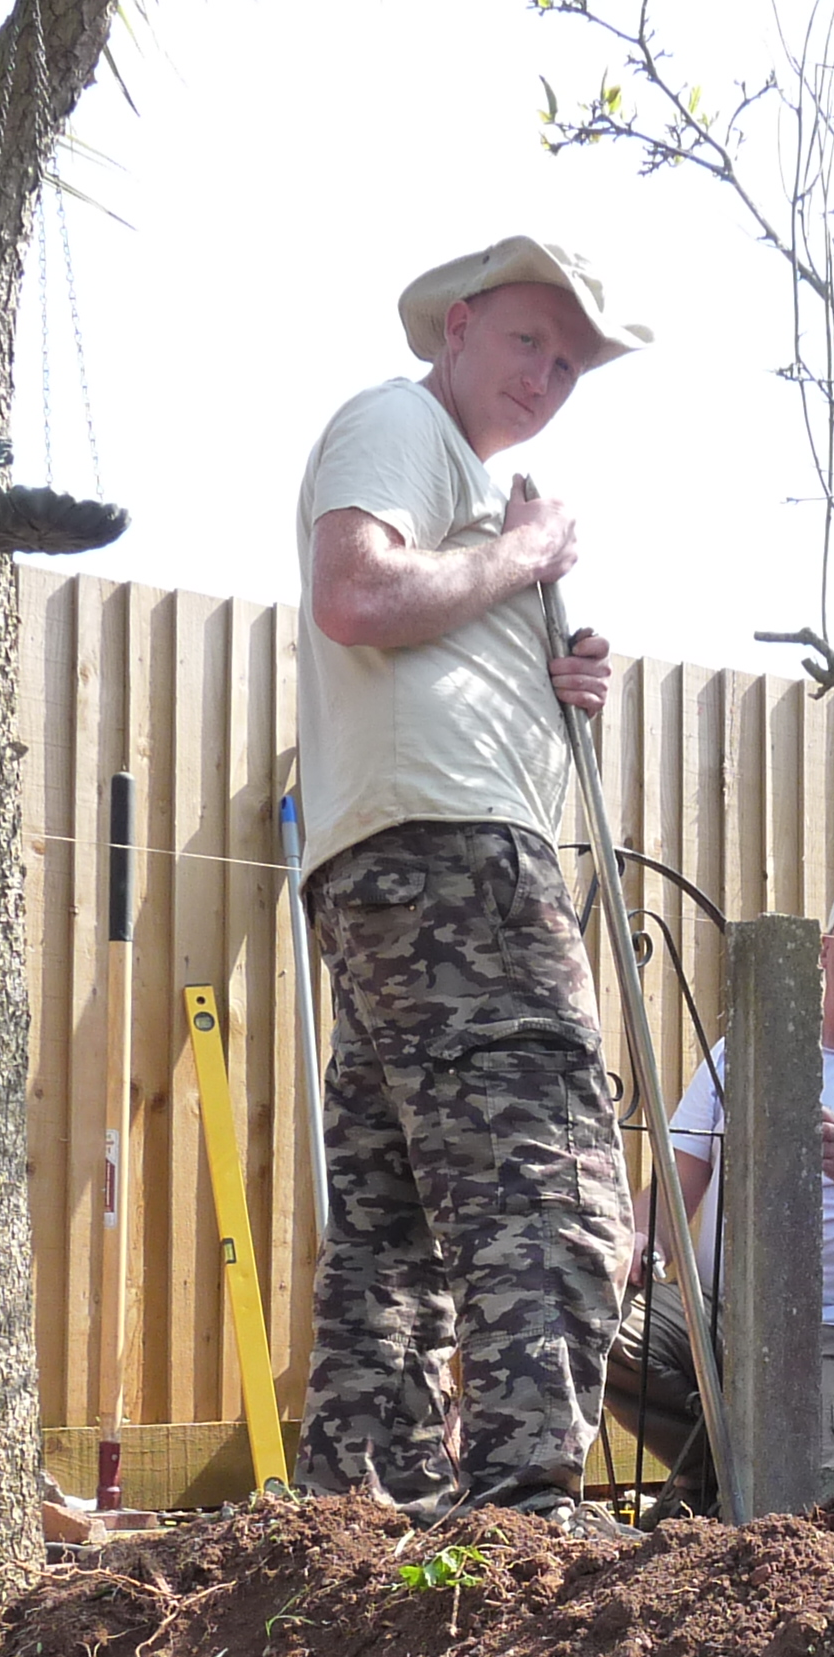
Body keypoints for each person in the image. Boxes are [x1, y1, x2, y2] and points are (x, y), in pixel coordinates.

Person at [290, 237, 650, 1517]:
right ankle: (529, 1505)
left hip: (392, 861)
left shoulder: (460, 489)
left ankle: (357, 1507)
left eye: (569, 364)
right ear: (451, 329)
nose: (547, 376)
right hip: (456, 862)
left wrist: (551, 682)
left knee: (390, 1210)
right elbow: (356, 592)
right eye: (526, 342)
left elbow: (413, 633)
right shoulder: (398, 421)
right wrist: (530, 552)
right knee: (548, 1169)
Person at [608, 880, 834, 1507]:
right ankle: (723, 1475)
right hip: (712, 1316)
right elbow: (677, 1185)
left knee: (807, 1504)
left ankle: (761, 1472)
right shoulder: (737, 1056)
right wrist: (636, 1243)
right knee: (592, 1315)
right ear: (824, 951)